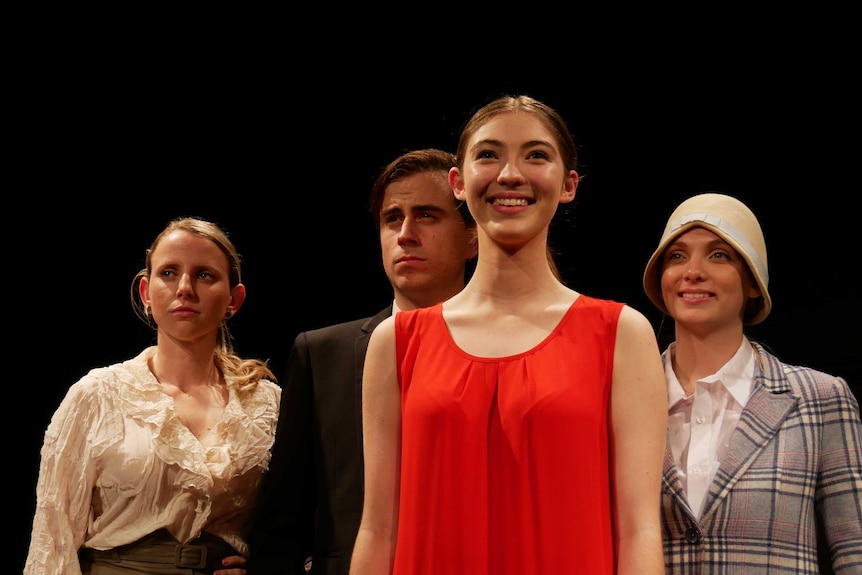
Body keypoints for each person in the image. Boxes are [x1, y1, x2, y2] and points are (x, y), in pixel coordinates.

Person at [350, 95, 668, 575]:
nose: (510, 174)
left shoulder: (620, 334)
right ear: (458, 182)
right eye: (489, 155)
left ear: (569, 185)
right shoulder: (397, 341)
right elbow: (378, 530)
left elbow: (638, 528)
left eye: (536, 155)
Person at [245, 148, 479, 574]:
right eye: (392, 218)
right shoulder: (321, 354)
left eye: (426, 215)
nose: (405, 234)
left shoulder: (507, 352)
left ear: (472, 237)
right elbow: (282, 521)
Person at [25, 217, 281, 575]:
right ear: (146, 293)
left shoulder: (266, 404)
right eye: (169, 273)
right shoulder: (97, 396)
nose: (185, 288)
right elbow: (54, 536)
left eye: (205, 275)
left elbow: (308, 518)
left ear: (233, 299)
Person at [642, 192, 862, 573]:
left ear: (754, 283)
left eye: (719, 255)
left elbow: (855, 550)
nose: (692, 271)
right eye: (677, 256)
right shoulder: (624, 402)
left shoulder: (819, 399)